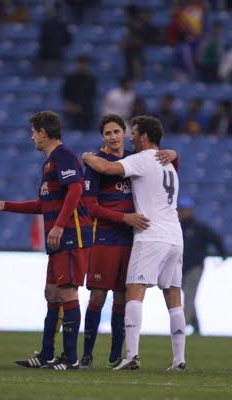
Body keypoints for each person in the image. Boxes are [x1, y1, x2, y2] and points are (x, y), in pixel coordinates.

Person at [0, 111, 92, 370]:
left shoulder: (63, 156)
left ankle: (71, 358)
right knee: (51, 293)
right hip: (59, 237)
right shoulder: (49, 163)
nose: (31, 136)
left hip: (71, 234)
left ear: (44, 132)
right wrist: (4, 205)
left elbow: (75, 190)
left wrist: (60, 226)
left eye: (34, 131)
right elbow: (43, 204)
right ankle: (47, 354)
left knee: (66, 292)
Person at [82, 115, 186, 372]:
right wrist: (174, 153)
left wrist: (85, 157)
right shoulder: (169, 164)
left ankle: (132, 355)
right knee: (173, 296)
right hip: (175, 236)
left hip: (150, 235)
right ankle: (179, 359)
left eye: (133, 133)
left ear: (144, 137)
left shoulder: (142, 159)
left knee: (133, 292)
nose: (129, 137)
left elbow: (105, 168)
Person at [178, 196, 227, 335]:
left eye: (186, 209)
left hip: (195, 267)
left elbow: (216, 239)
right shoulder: (175, 227)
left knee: (189, 294)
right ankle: (196, 326)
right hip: (179, 267)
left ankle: (182, 326)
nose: (183, 212)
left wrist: (223, 254)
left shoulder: (199, 228)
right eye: (181, 209)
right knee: (188, 296)